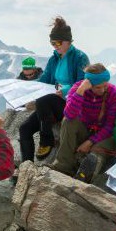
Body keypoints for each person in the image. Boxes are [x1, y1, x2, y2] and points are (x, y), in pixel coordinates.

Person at [19, 16, 89, 162]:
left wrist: (64, 91)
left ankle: (47, 141)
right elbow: (45, 80)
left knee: (45, 99)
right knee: (24, 128)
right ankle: (25, 167)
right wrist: (27, 87)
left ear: (68, 41)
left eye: (57, 42)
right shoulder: (54, 59)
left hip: (70, 104)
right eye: (52, 43)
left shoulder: (80, 57)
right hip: (51, 105)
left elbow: (83, 83)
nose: (54, 46)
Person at [52, 63, 116, 183]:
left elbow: (110, 125)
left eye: (105, 85)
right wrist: (80, 91)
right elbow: (69, 115)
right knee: (69, 122)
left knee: (96, 151)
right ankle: (63, 166)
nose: (102, 90)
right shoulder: (78, 88)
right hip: (85, 129)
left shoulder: (113, 93)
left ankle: (86, 176)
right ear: (89, 84)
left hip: (103, 135)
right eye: (97, 87)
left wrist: (90, 142)